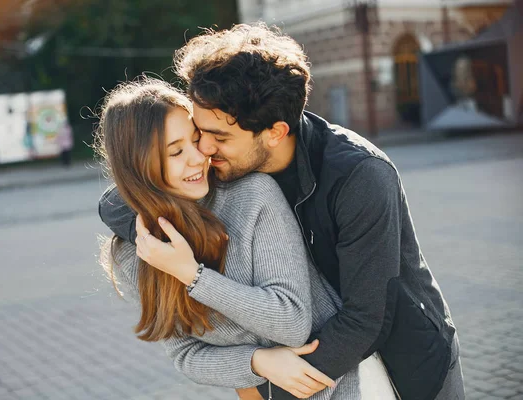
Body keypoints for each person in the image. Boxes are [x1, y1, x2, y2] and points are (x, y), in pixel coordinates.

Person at [99, 24, 465, 400]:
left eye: (217, 138)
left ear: (274, 132)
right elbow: (126, 192)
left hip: (406, 355)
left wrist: (266, 384)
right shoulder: (224, 171)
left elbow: (366, 320)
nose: (204, 149)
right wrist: (257, 363)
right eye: (198, 133)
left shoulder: (360, 177)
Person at [95, 78, 396, 399]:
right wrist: (258, 361)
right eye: (175, 152)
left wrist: (192, 276)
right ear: (139, 167)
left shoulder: (252, 196)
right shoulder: (133, 254)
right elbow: (185, 355)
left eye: (195, 140)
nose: (198, 157)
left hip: (346, 387)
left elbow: (292, 321)